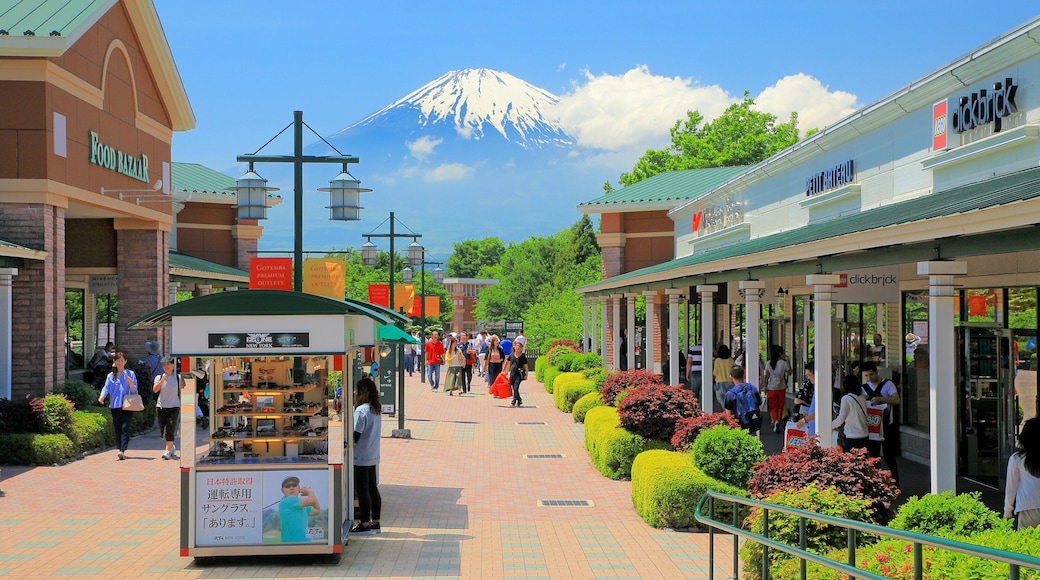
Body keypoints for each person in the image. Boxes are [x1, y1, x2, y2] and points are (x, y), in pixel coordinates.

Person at [351, 377, 382, 535]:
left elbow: (356, 434)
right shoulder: (376, 409)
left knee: (362, 491)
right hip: (373, 454)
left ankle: (364, 523)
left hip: (360, 456)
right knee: (372, 489)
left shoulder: (361, 410)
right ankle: (375, 521)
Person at [861, 360, 901, 485]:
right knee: (874, 456)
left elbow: (896, 400)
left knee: (889, 455)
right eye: (866, 375)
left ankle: (895, 482)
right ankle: (877, 483)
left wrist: (881, 399)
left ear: (876, 372)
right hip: (872, 426)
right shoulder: (864, 388)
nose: (869, 378)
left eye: (871, 374)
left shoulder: (888, 384)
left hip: (887, 425)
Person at [97, 351, 139, 460]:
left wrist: (130, 382)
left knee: (125, 427)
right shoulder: (111, 376)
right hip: (115, 405)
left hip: (128, 405)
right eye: (118, 361)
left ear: (125, 361)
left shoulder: (130, 374)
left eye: (122, 360)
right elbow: (106, 387)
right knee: (117, 427)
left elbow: (134, 390)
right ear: (114, 362)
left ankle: (122, 450)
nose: (120, 363)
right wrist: (102, 396)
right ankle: (119, 448)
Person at [1005, 417, 1040, 530]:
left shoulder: (1017, 459)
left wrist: (1007, 512)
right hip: (1029, 505)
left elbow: (1011, 488)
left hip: (1027, 507)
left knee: (1027, 539)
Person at [832, 374, 872, 455]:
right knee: (862, 461)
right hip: (864, 436)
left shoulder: (846, 399)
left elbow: (841, 418)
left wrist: (830, 426)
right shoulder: (862, 397)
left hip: (852, 437)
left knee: (850, 461)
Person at [152, 356, 180, 460]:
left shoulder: (178, 377)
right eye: (164, 365)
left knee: (170, 429)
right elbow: (155, 390)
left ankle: (167, 451)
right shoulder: (159, 377)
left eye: (168, 364)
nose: (166, 366)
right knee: (163, 430)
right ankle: (171, 447)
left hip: (174, 407)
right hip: (161, 407)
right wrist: (161, 381)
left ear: (173, 365)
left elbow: (183, 389)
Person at [278, 476, 320, 542]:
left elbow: (317, 511)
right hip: (292, 545)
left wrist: (310, 493)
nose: (291, 488)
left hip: (305, 545)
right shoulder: (289, 500)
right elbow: (313, 501)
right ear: (282, 490)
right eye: (287, 486)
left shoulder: (300, 503)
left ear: (299, 488)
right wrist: (309, 492)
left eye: (294, 485)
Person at [724, 365, 763, 435]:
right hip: (751, 424)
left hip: (738, 427)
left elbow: (728, 415)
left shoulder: (730, 394)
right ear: (743, 375)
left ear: (731, 377)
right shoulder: (752, 388)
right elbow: (760, 408)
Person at [763, 344, 790, 433]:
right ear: (779, 354)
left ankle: (775, 421)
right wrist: (788, 361)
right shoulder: (784, 363)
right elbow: (789, 373)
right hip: (781, 387)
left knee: (773, 406)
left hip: (771, 387)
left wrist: (765, 386)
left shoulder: (768, 363)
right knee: (780, 405)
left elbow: (766, 376)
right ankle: (779, 420)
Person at [711, 344, 733, 410]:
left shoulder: (717, 360)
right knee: (730, 400)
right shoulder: (731, 360)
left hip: (720, 382)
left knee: (721, 399)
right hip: (730, 382)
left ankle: (726, 411)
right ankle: (729, 411)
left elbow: (715, 373)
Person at [508, 342, 529, 407]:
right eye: (516, 346)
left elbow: (526, 365)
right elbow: (507, 362)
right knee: (514, 388)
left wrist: (526, 374)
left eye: (519, 347)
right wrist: (503, 371)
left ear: (521, 348)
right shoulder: (511, 355)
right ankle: (519, 400)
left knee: (516, 387)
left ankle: (513, 402)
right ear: (514, 347)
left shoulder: (522, 356)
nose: (518, 348)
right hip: (512, 374)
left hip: (519, 374)